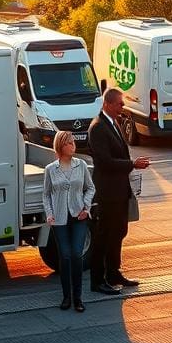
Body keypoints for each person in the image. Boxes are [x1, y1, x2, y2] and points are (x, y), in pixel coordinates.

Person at [88, 87, 150, 295]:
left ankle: (114, 273)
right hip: (107, 193)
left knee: (119, 232)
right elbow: (105, 162)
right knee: (103, 236)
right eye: (119, 104)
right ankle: (97, 280)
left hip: (120, 191)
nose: (122, 108)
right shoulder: (98, 127)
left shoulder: (113, 123)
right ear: (107, 104)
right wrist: (132, 164)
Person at [43, 131, 95, 312]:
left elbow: (90, 188)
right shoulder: (50, 169)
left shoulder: (81, 165)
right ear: (60, 146)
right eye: (69, 143)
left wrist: (86, 208)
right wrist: (49, 214)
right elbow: (46, 194)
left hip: (78, 216)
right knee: (64, 256)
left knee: (76, 255)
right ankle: (66, 297)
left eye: (73, 143)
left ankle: (78, 298)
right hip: (59, 219)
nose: (73, 146)